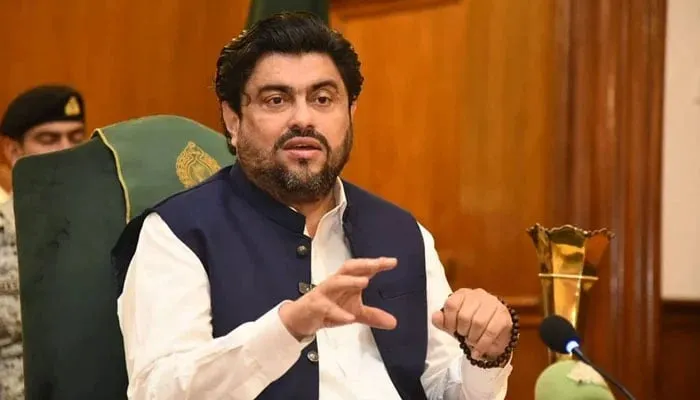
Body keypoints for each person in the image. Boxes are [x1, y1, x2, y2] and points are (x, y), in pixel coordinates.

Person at [114, 12, 517, 400]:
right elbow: (158, 390)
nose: (303, 119)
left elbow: (442, 388)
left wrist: (486, 356)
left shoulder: (402, 232)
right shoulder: (179, 232)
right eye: (276, 100)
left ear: (350, 113)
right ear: (233, 120)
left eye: (323, 99)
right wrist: (286, 329)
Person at [0, 85, 86, 400]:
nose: (66, 151)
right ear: (13, 151)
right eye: (49, 139)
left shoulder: (107, 228)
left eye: (76, 138)